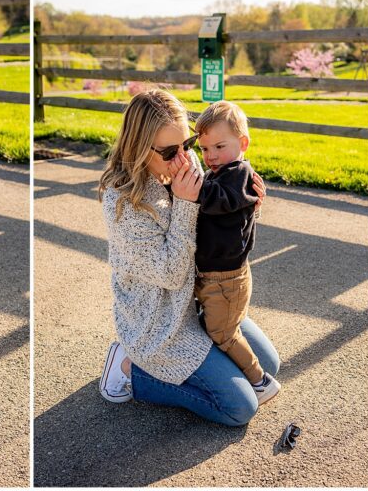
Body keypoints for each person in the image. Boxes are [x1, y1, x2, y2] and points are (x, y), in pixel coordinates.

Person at [96, 89, 276, 427]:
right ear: (138, 146)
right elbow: (171, 274)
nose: (183, 158)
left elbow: (218, 221)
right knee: (240, 408)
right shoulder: (121, 201)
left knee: (270, 364)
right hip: (160, 323)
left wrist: (246, 198)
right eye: (168, 151)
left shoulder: (183, 161)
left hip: (202, 299)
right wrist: (184, 204)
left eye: (187, 145)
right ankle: (131, 367)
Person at [193, 100, 279, 404]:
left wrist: (195, 190)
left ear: (242, 143)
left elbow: (220, 200)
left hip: (226, 280)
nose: (211, 156)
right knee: (217, 325)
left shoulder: (239, 172)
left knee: (223, 334)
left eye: (219, 146)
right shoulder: (220, 172)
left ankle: (259, 380)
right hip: (215, 275)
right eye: (204, 149)